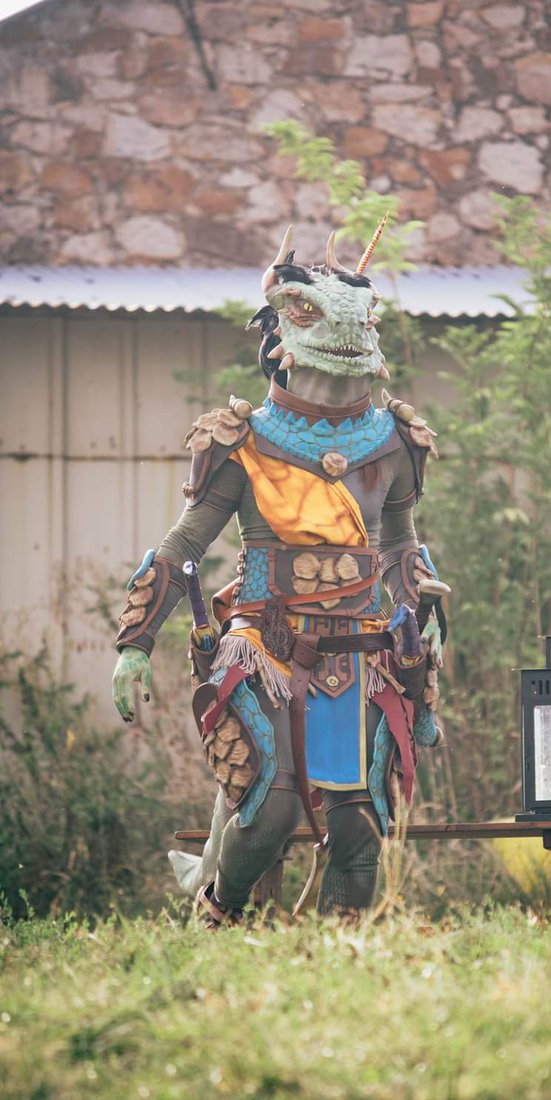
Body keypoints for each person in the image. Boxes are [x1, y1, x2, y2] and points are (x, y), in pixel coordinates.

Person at [111, 224, 446, 928]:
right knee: (271, 811)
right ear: (281, 329)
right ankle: (218, 917)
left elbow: (399, 545)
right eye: (309, 312)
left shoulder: (395, 441)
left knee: (360, 827)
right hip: (264, 647)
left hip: (362, 654)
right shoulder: (244, 440)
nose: (347, 332)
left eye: (361, 318)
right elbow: (185, 543)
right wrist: (135, 642)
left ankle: (341, 963)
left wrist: (423, 616)